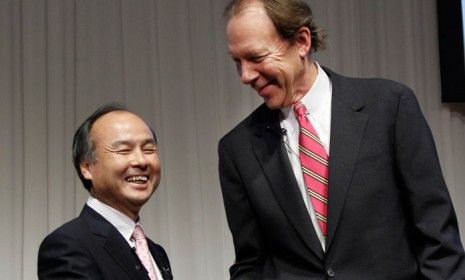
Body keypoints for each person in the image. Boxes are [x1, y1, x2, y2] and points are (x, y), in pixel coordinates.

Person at [218, 0, 465, 279]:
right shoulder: (237, 149)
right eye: (237, 62)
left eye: (256, 57)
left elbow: (438, 239)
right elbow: (251, 264)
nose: (245, 75)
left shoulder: (389, 108)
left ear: (301, 41)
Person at [38, 104, 173, 280]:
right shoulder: (67, 245)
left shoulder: (155, 252)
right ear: (87, 167)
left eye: (149, 149)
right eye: (124, 150)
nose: (141, 161)